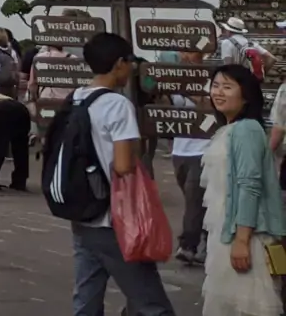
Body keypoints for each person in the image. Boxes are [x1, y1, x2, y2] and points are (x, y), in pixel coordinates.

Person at [63, 32, 175, 316]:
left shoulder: (76, 98)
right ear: (119, 64)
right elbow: (124, 165)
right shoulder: (117, 105)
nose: (132, 68)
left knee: (86, 297)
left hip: (83, 211)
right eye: (129, 62)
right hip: (114, 218)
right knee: (151, 303)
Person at [200, 61, 286, 315]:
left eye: (227, 87)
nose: (218, 92)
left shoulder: (247, 130)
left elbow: (250, 185)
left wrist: (242, 240)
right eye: (215, 86)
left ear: (246, 96)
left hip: (247, 236)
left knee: (247, 306)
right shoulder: (231, 129)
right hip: (228, 232)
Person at [171, 39, 213, 268]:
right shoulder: (173, 80)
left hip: (202, 149)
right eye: (182, 50)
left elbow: (212, 110)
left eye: (190, 52)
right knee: (197, 201)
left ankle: (187, 244)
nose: (184, 56)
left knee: (194, 199)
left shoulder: (211, 81)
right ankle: (208, 238)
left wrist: (192, 91)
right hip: (180, 149)